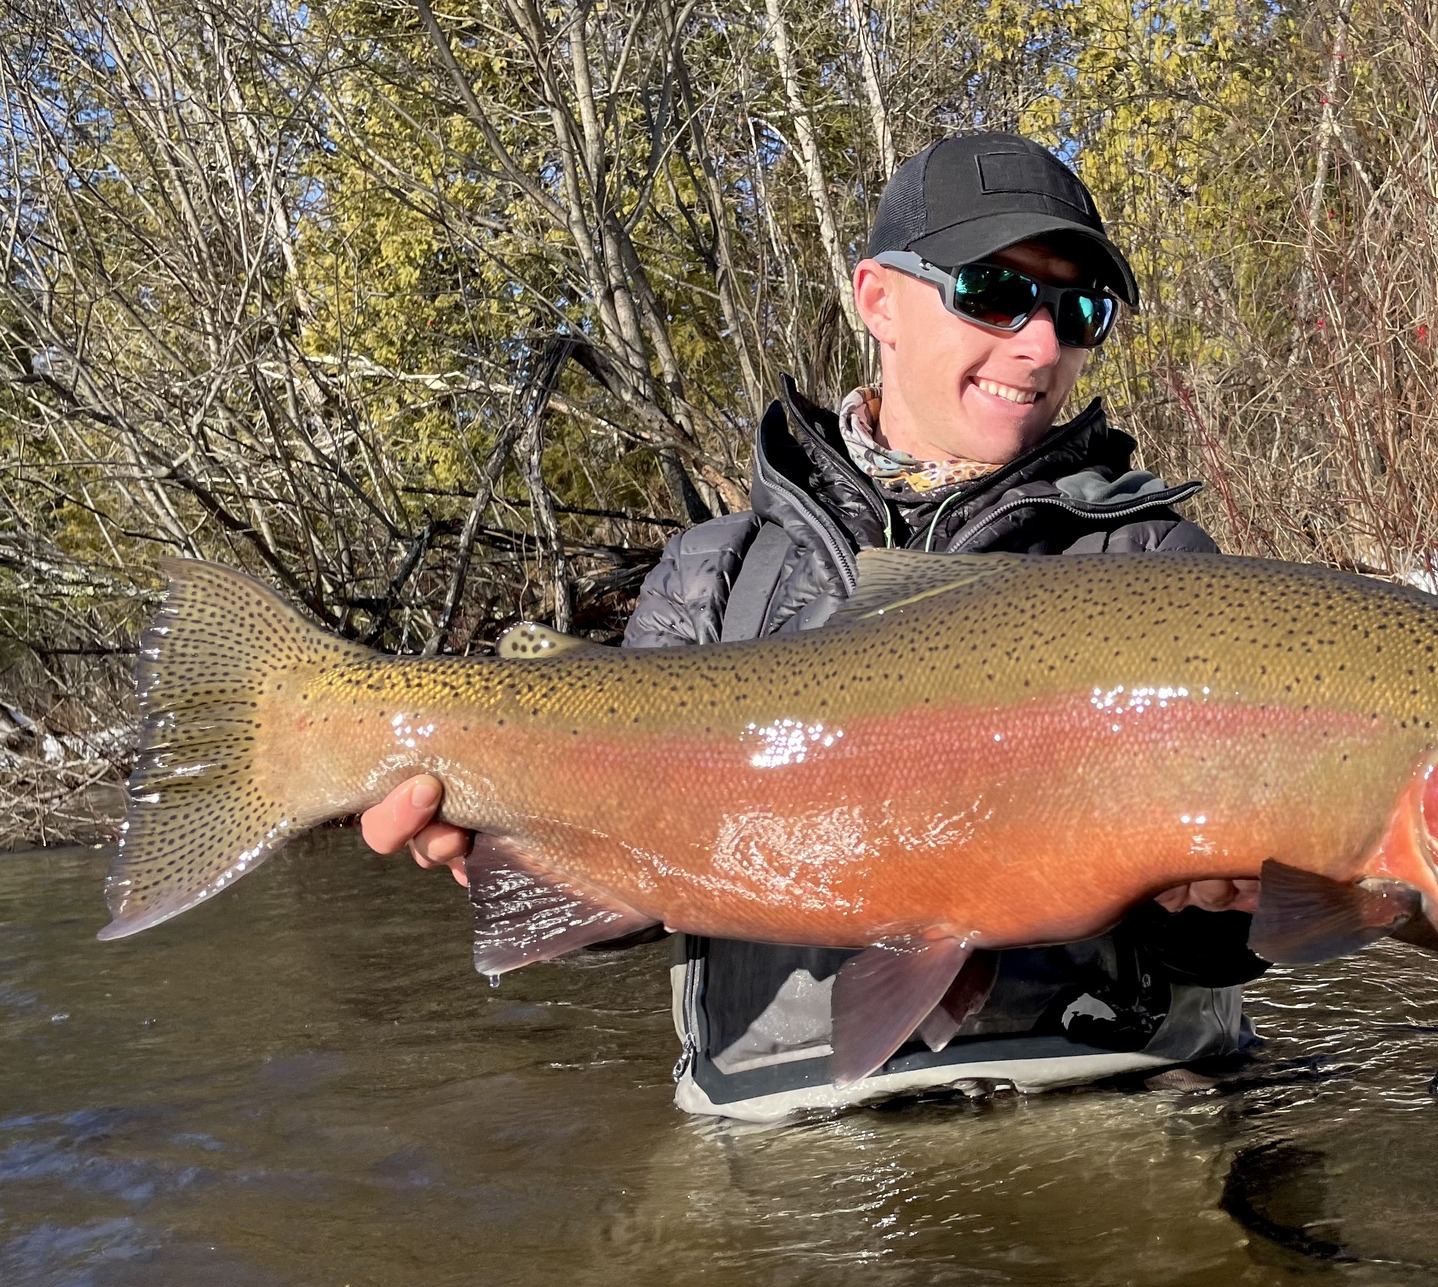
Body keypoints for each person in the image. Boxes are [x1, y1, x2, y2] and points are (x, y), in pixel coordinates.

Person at [363, 133, 1266, 1119]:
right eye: (996, 292)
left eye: (1077, 308)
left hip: (1105, 1105)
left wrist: (1231, 901)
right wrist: (513, 844)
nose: (1042, 343)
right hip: (780, 1140)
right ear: (877, 299)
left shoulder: (1152, 569)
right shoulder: (713, 575)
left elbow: (1222, 944)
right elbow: (637, 900)